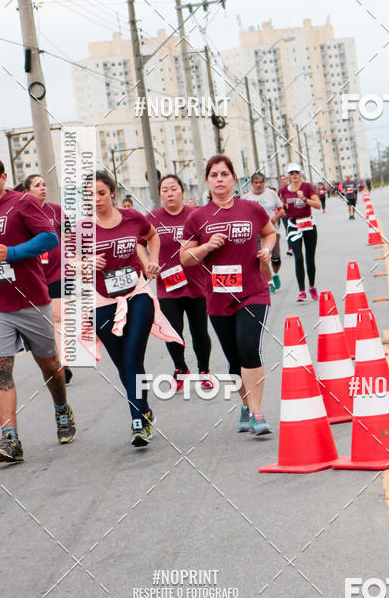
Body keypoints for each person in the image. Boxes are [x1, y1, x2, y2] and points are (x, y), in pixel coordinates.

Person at [180, 155, 276, 437]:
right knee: (234, 359)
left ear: (234, 178)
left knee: (249, 348)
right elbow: (185, 258)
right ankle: (246, 405)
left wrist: (266, 250)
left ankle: (257, 412)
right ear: (207, 181)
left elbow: (269, 233)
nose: (219, 179)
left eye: (224, 174)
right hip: (219, 297)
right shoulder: (197, 217)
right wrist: (207, 246)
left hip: (253, 291)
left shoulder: (252, 209)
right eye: (214, 175)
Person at [0, 155, 76, 462]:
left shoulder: (22, 203)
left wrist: (13, 252)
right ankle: (10, 438)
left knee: (49, 365)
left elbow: (50, 238)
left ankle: (62, 409)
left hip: (30, 300)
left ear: (3, 177)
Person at [87, 170, 179, 447]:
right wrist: (85, 263)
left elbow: (152, 236)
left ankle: (137, 421)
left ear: (112, 193)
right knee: (122, 365)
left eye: (101, 193)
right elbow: (68, 262)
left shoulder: (132, 218)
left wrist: (151, 260)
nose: (96, 199)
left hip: (137, 296)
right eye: (90, 195)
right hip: (102, 303)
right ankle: (145, 410)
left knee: (132, 359)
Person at [146, 174, 212, 393]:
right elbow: (138, 243)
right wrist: (148, 264)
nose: (170, 193)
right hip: (168, 286)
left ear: (182, 192)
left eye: (174, 189)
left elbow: (208, 242)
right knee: (173, 332)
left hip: (197, 283)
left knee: (200, 332)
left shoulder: (196, 215)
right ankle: (180, 369)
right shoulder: (152, 218)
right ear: (160, 194)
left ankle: (204, 370)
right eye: (165, 190)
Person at [24, 173, 73, 384]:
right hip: (33, 275)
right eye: (37, 185)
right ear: (27, 192)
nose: (43, 188)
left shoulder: (57, 211)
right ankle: (51, 360)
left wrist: (74, 259)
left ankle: (63, 362)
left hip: (58, 271)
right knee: (43, 322)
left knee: (59, 316)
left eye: (44, 184)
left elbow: (69, 237)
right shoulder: (21, 213)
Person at [279, 163, 321, 302]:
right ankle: (301, 291)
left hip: (308, 223)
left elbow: (318, 205)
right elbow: (283, 208)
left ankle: (312, 287)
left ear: (300, 174)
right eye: (291, 173)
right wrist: (284, 209)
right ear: (288, 176)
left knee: (310, 258)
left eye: (296, 172)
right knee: (298, 258)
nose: (294, 175)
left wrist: (304, 199)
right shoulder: (283, 191)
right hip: (293, 226)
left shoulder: (307, 187)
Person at [244, 172, 284, 293]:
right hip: (256, 233)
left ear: (264, 182)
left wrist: (274, 219)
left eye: (261, 182)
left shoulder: (271, 194)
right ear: (252, 183)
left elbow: (281, 209)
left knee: (276, 260)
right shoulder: (246, 198)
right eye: (256, 183)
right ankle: (269, 283)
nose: (258, 185)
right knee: (261, 257)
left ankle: (275, 274)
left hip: (272, 231)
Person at [277, 173, 293, 256]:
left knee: (294, 229)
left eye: (285, 179)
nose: (284, 181)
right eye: (282, 179)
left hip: (293, 213)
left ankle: (296, 245)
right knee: (288, 229)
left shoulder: (292, 188)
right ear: (280, 181)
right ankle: (290, 248)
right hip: (284, 214)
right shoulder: (280, 191)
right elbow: (278, 202)